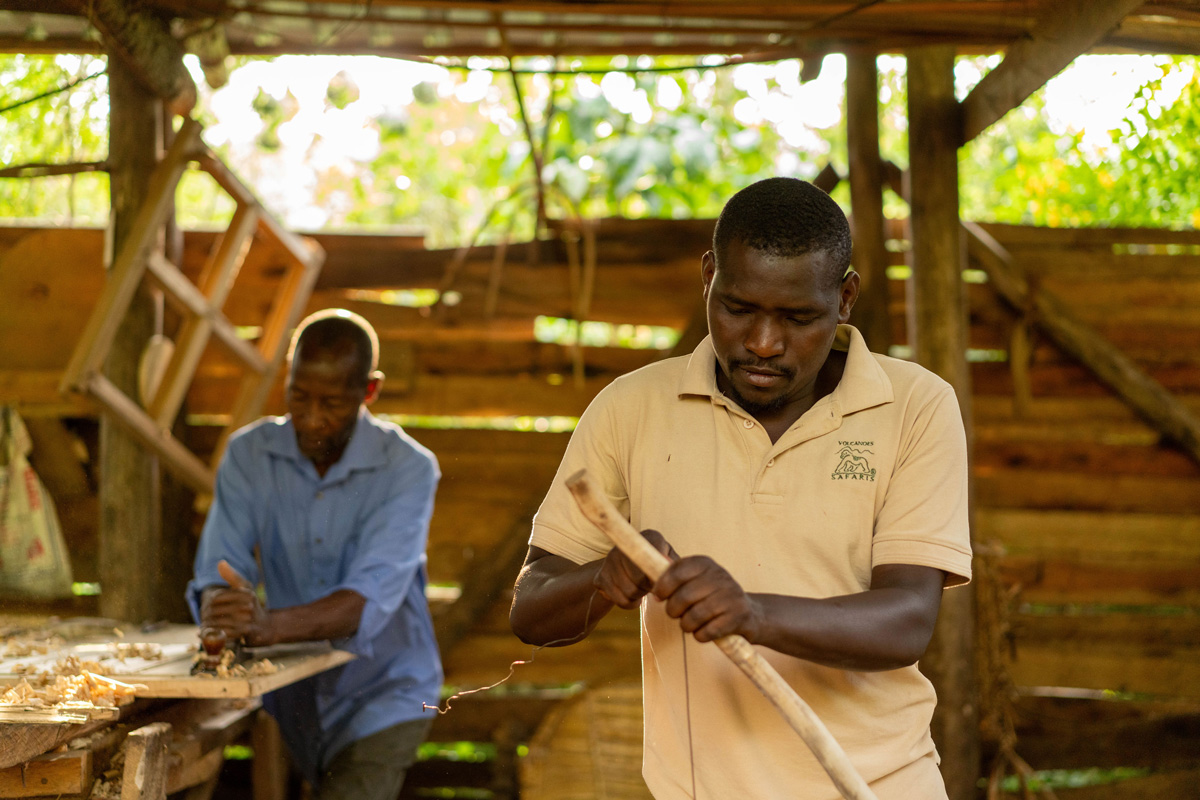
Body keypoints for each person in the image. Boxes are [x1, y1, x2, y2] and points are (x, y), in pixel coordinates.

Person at [509, 178, 972, 800]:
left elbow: (909, 620)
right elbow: (532, 608)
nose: (762, 343)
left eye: (798, 317)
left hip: (880, 786)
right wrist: (603, 578)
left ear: (846, 298)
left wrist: (752, 612)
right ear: (708, 276)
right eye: (738, 308)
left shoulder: (916, 406)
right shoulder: (630, 408)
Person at [188, 308, 441, 799]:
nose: (311, 417)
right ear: (287, 376)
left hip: (385, 692)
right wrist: (222, 605)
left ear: (369, 391)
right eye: (299, 396)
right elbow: (219, 566)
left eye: (332, 402)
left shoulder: (409, 469)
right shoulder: (249, 454)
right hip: (295, 696)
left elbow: (366, 600)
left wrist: (265, 626)